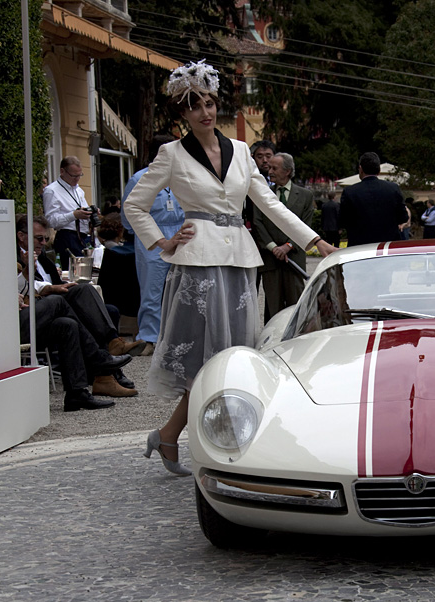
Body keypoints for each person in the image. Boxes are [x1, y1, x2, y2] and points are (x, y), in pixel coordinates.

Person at [124, 60, 337, 476]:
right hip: (197, 264)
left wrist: (315, 240)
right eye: (194, 106)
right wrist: (161, 241)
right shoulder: (171, 154)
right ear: (183, 114)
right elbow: (134, 204)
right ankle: (199, 441)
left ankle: (179, 437)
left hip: (239, 261)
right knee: (207, 362)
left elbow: (269, 204)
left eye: (210, 103)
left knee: (235, 357)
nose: (204, 112)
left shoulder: (241, 151)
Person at [17, 214, 143, 394]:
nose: (43, 242)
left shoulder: (43, 257)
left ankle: (112, 347)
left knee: (88, 294)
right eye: (39, 238)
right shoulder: (12, 257)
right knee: (71, 309)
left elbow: (51, 281)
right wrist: (46, 284)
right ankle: (105, 366)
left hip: (51, 307)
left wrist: (56, 285)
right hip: (34, 312)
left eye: (46, 238)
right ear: (21, 236)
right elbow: (17, 287)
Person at [121, 134, 184, 353]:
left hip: (180, 234)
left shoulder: (182, 176)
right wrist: (146, 235)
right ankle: (149, 337)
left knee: (181, 289)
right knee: (152, 290)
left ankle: (177, 336)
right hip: (152, 236)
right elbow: (128, 216)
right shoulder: (140, 178)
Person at [252, 152, 314, 322]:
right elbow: (257, 223)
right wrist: (273, 247)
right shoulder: (263, 194)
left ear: (287, 171)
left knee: (297, 307)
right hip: (270, 260)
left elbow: (305, 225)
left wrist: (288, 246)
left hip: (294, 259)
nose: (269, 171)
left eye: (274, 168)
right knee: (273, 307)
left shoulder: (305, 196)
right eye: (269, 167)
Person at [338, 152, 408, 246]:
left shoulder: (349, 192)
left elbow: (343, 220)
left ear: (360, 169)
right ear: (379, 170)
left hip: (359, 246)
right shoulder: (393, 189)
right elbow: (403, 217)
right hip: (388, 245)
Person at [43, 156, 94, 262]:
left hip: (83, 237)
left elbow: (82, 212)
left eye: (79, 175)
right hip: (67, 237)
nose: (77, 179)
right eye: (73, 176)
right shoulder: (51, 191)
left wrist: (90, 213)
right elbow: (51, 221)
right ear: (62, 171)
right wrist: (74, 215)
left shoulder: (79, 190)